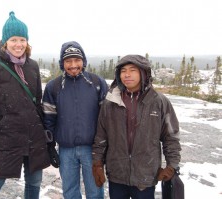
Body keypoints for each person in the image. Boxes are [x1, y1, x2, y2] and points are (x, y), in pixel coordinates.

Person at [0, 11, 50, 199]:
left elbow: (37, 103)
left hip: (34, 139)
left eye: (22, 39)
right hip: (7, 139)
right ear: (5, 41)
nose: (19, 44)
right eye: (14, 39)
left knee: (34, 185)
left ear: (27, 41)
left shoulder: (32, 66)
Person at [92, 54, 181, 199]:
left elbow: (171, 137)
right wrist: (97, 163)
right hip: (117, 174)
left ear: (144, 73)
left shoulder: (159, 102)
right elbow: (101, 136)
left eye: (133, 70)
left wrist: (172, 165)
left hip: (145, 176)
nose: (127, 75)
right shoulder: (110, 103)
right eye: (123, 71)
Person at [43, 41, 108, 199]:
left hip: (92, 150)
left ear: (83, 61)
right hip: (66, 150)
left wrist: (105, 146)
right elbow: (48, 119)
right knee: (70, 191)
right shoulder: (54, 87)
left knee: (95, 191)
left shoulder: (97, 83)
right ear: (62, 63)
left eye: (77, 60)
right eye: (68, 61)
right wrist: (50, 146)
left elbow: (106, 119)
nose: (73, 65)